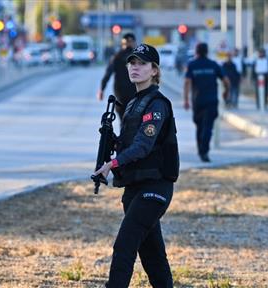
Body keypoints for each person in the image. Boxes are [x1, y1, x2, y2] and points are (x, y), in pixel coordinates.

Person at [92, 44, 179, 288]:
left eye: (142, 63)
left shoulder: (157, 104)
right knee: (153, 258)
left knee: (124, 245)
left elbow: (143, 145)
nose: (135, 68)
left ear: (154, 70)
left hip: (155, 188)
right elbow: (129, 142)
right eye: (132, 63)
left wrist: (113, 163)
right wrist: (111, 141)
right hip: (134, 190)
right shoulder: (132, 103)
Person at [183, 43, 230, 162]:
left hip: (198, 101)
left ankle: (201, 150)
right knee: (207, 127)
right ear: (207, 52)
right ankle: (204, 151)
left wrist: (186, 100)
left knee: (200, 126)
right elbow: (226, 80)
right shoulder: (213, 65)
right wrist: (226, 92)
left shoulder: (192, 65)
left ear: (196, 52)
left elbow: (187, 83)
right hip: (211, 101)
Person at [98, 33, 138, 118]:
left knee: (124, 121)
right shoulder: (139, 58)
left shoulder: (116, 57)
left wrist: (102, 89)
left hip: (120, 94)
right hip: (134, 94)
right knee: (135, 121)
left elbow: (107, 74)